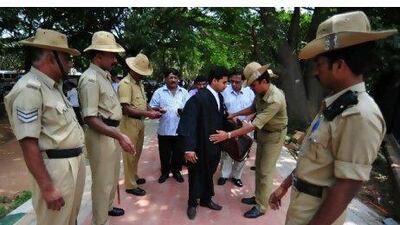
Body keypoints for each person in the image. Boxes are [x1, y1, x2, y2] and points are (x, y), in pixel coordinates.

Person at [267, 11, 397, 225]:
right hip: (303, 204)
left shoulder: (360, 114)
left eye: (319, 65)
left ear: (339, 66)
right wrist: (285, 185)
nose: (316, 72)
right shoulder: (336, 105)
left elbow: (347, 185)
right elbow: (312, 157)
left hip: (317, 215)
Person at [4, 28, 85, 225]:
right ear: (51, 57)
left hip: (71, 165)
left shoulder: (53, 87)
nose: (70, 63)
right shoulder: (29, 89)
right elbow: (28, 143)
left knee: (69, 219)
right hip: (55, 171)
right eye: (67, 58)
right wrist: (47, 187)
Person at [210, 63, 288, 219]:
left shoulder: (275, 99)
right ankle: (259, 197)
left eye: (253, 85)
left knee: (265, 171)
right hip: (265, 133)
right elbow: (252, 109)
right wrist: (234, 114)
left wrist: (228, 135)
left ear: (264, 81)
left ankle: (261, 206)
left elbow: (252, 125)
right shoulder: (260, 92)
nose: (251, 88)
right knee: (259, 167)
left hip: (275, 136)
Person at [78, 31, 135, 225]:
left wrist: (117, 135)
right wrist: (118, 136)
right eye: (111, 55)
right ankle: (100, 220)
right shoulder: (90, 79)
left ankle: (108, 207)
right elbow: (90, 118)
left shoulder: (104, 77)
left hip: (110, 133)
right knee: (102, 182)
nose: (115, 60)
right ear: (98, 55)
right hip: (101, 134)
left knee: (111, 177)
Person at [177, 65, 229, 220]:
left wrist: (233, 129)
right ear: (214, 81)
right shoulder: (198, 97)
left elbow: (220, 119)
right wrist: (189, 148)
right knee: (195, 175)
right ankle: (192, 203)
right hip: (199, 146)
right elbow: (188, 122)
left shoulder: (219, 97)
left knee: (209, 173)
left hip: (214, 145)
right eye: (224, 82)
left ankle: (206, 199)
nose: (226, 86)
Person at [118, 53, 162, 196]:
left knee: (136, 153)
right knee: (129, 154)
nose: (144, 75)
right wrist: (149, 114)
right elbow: (125, 108)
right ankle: (130, 185)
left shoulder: (139, 83)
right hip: (129, 122)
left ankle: (134, 176)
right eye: (141, 72)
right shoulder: (125, 84)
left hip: (140, 122)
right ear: (134, 70)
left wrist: (153, 110)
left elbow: (143, 103)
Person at [149, 68, 189, 183]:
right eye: (170, 77)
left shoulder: (184, 92)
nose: (173, 80)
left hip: (179, 130)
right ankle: (165, 173)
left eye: (175, 77)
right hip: (164, 129)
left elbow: (190, 108)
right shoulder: (159, 92)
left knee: (178, 153)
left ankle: (176, 172)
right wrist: (158, 109)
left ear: (178, 79)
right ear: (165, 79)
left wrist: (184, 111)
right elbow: (152, 106)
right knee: (164, 153)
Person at [217, 70, 255, 187]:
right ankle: (224, 175)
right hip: (229, 126)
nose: (233, 84)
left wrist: (246, 121)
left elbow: (255, 109)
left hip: (246, 127)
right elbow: (222, 108)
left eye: (237, 82)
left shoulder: (250, 92)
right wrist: (231, 118)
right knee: (228, 151)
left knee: (242, 152)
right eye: (231, 81)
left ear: (243, 81)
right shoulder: (224, 91)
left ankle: (236, 177)